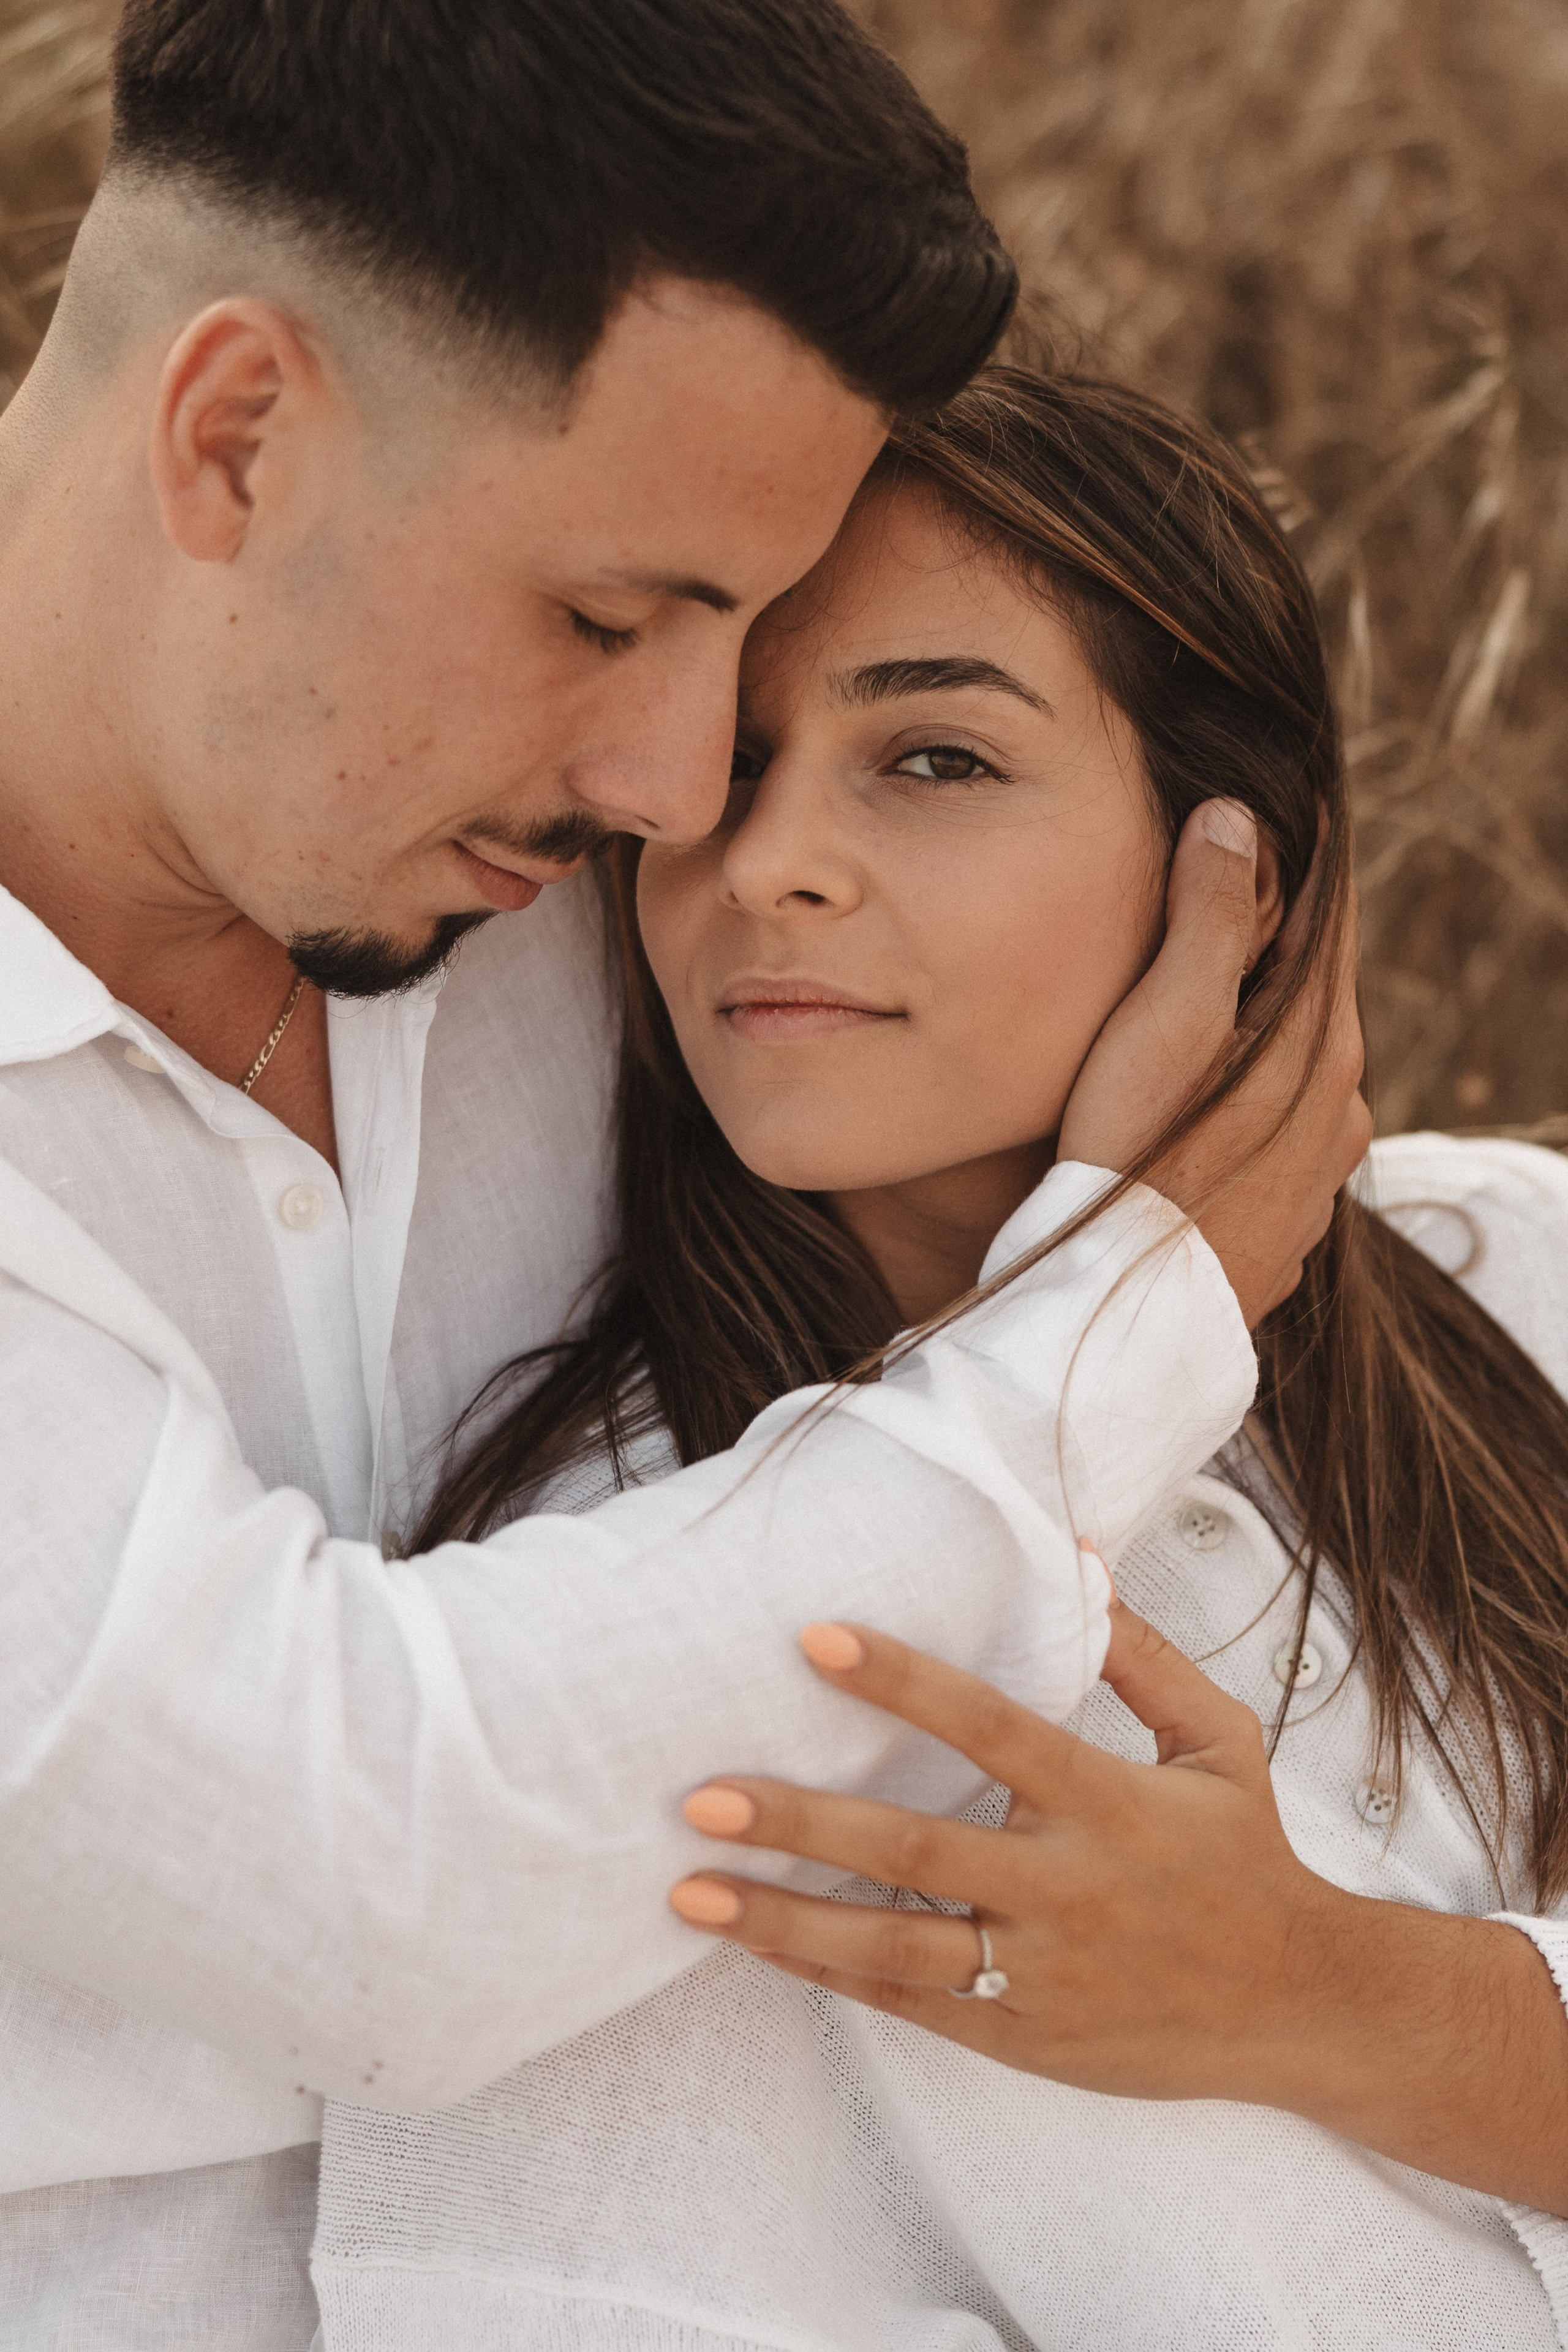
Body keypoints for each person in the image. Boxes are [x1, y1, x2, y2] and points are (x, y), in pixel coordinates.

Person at [0, 6, 1360, 2346]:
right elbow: (365, 1876)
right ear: (236, 438)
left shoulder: (585, 871)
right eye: (606, 619)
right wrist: (1112, 1327)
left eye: (740, 628)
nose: (671, 785)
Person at [308, 372, 1567, 2350]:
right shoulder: (663, 1626)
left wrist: (1332, 1992)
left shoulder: (1526, 1268)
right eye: (723, 763)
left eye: (938, 758)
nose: (768, 861)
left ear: (1242, 868)